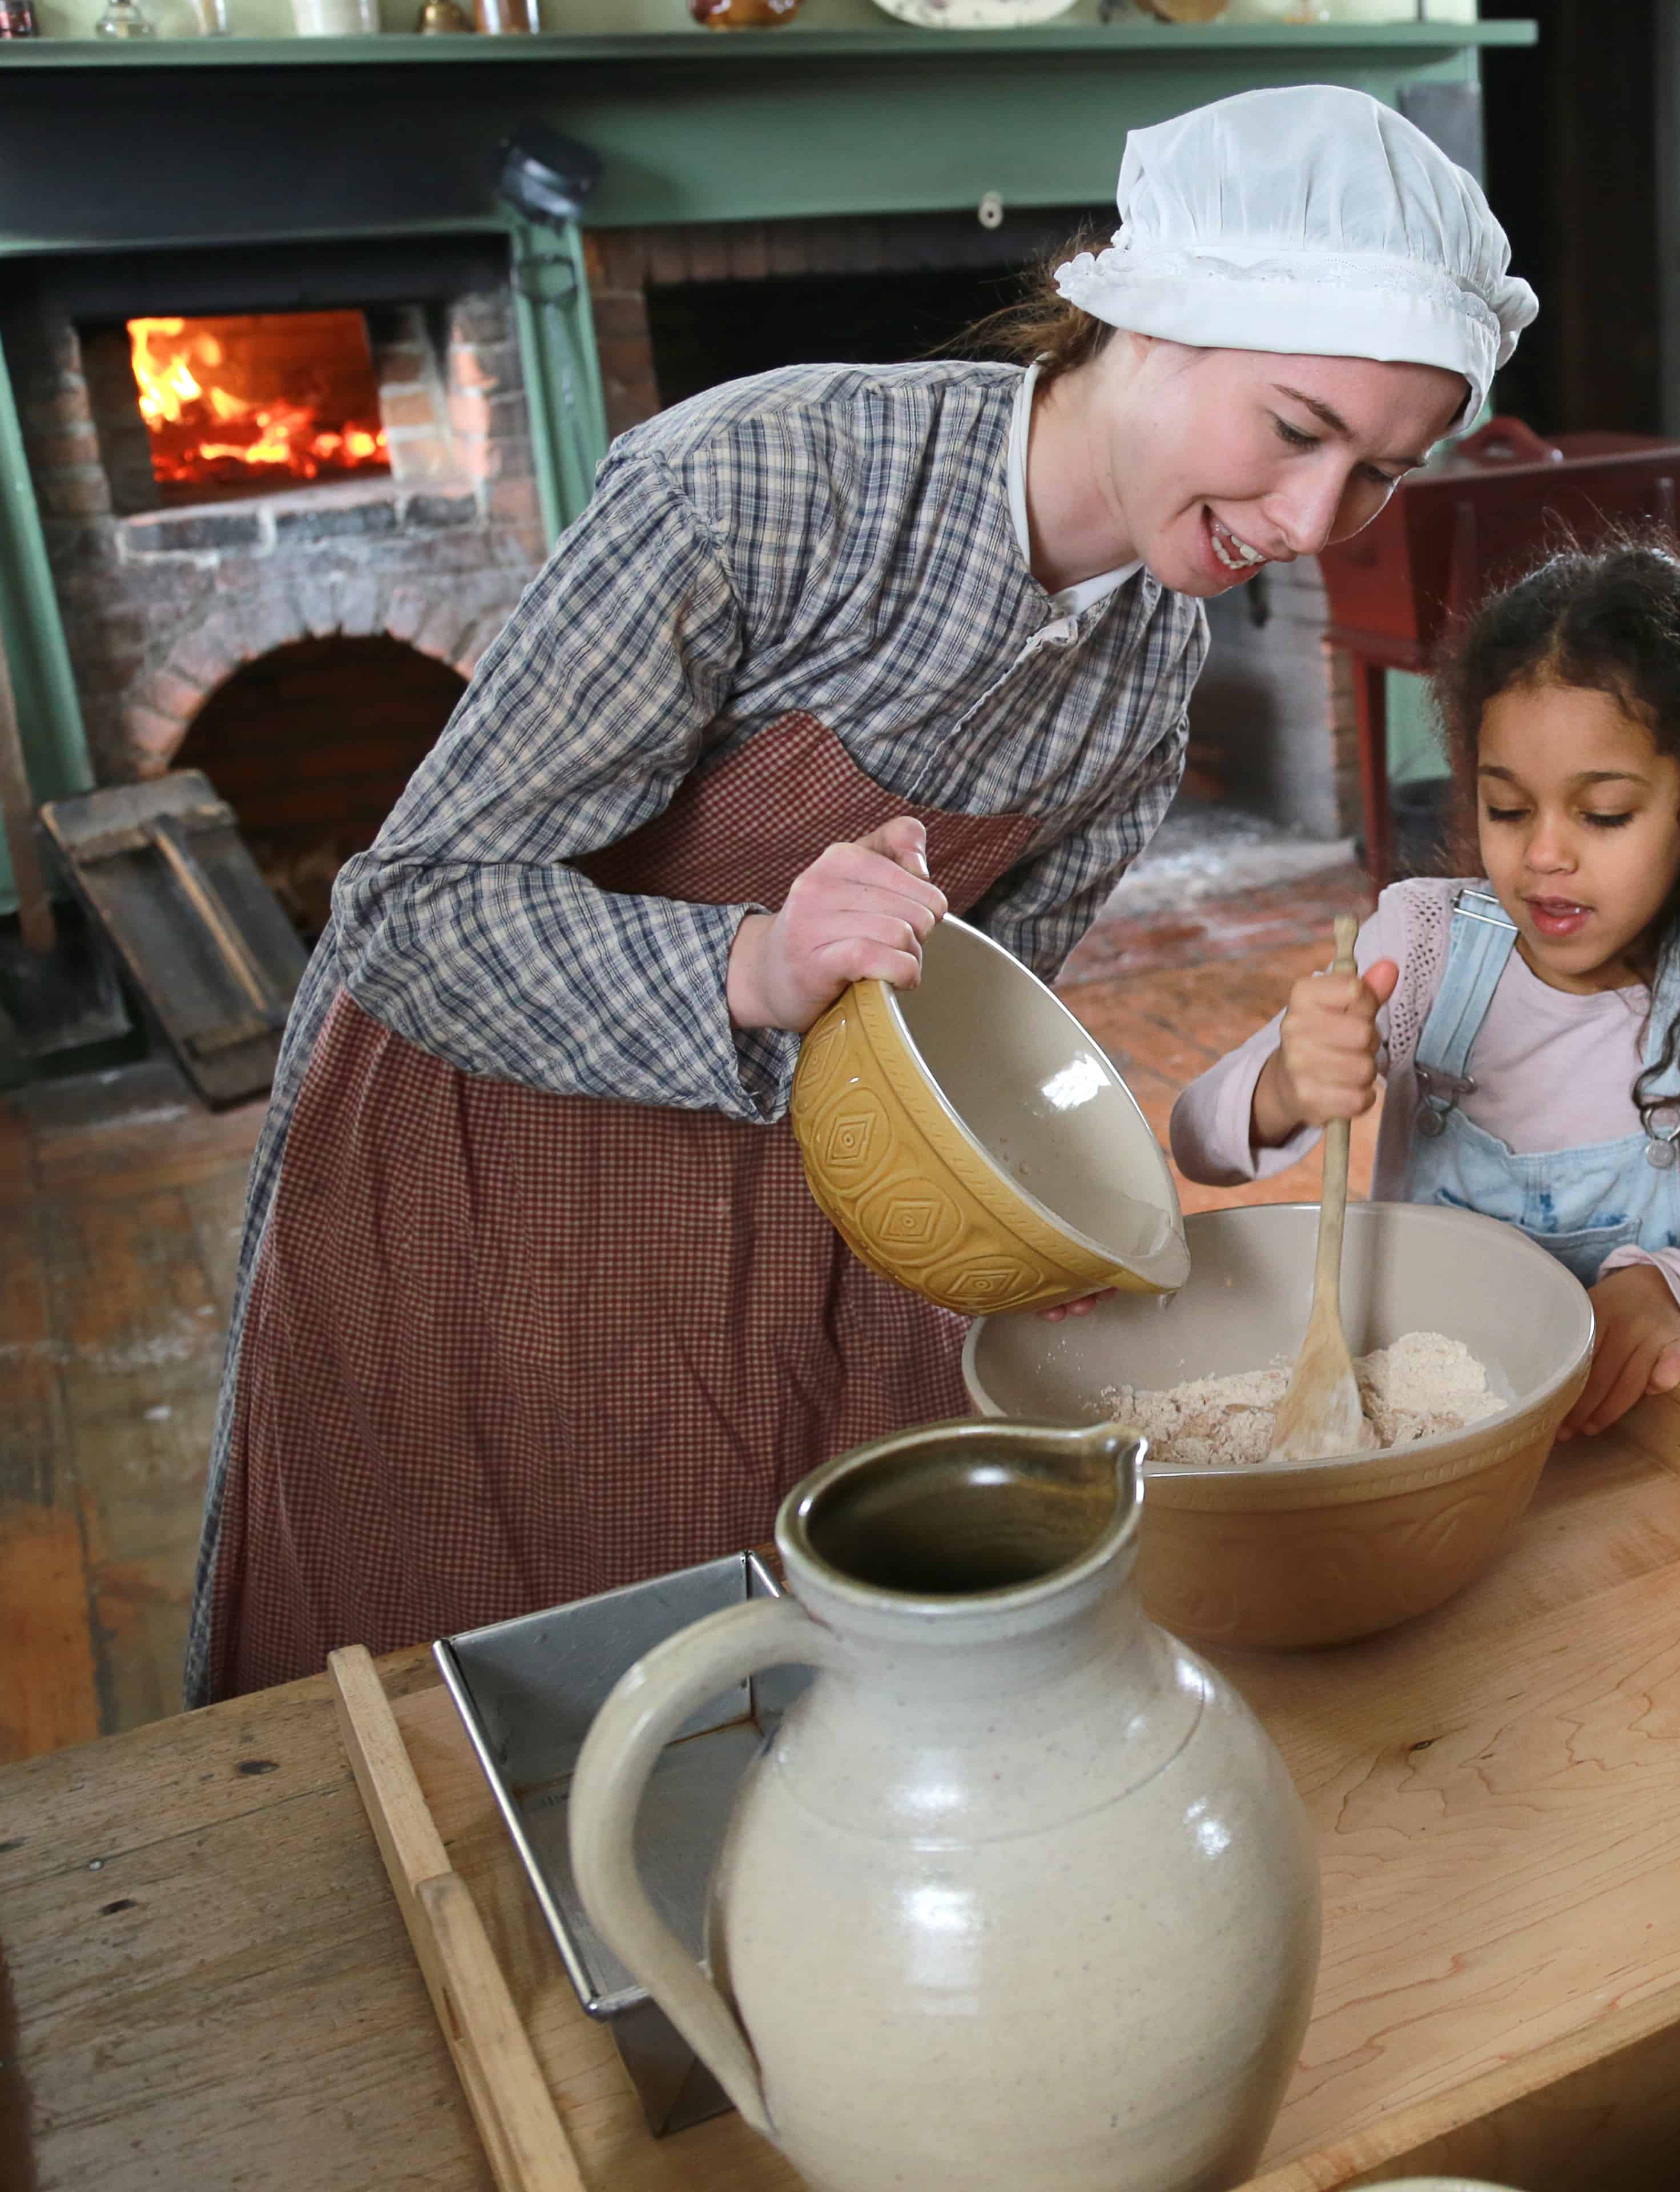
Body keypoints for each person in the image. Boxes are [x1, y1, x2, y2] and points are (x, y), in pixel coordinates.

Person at [186, 86, 1537, 1703]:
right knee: (476, 1681)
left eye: (1383, 472)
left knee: (778, 1675)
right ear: (1148, 321)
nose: (1317, 524)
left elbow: (965, 1028)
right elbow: (408, 911)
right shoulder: (763, 486)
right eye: (1298, 431)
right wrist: (756, 966)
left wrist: (1051, 1203)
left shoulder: (1148, 673)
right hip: (488, 1165)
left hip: (800, 1185)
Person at [1170, 544, 1680, 1438]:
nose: (1544, 854)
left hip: (1608, 1427)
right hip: (1404, 1409)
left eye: (1603, 815)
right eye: (1507, 808)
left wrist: (1673, 1289)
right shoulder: (1418, 949)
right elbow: (1197, 1142)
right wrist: (1284, 1084)